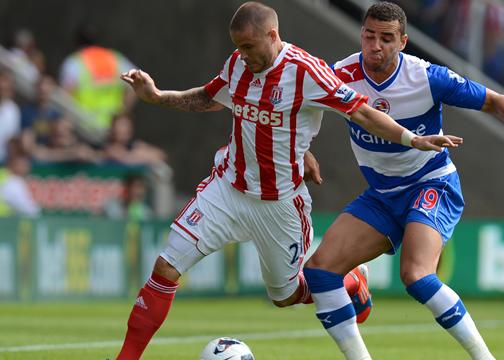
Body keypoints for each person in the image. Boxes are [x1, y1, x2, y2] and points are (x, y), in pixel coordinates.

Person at [114, 2, 462, 359]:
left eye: (249, 46)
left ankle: (350, 281)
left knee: (285, 296)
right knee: (166, 266)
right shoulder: (237, 65)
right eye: (238, 47)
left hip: (279, 205)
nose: (243, 54)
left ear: (272, 35)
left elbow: (362, 113)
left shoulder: (307, 72)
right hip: (227, 188)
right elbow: (207, 97)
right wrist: (157, 97)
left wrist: (412, 139)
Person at [302, 3, 504, 360]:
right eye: (369, 36)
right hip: (382, 195)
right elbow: (298, 106)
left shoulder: (425, 77)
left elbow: (494, 101)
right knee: (320, 272)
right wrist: (302, 148)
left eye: (386, 39)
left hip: (431, 184)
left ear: (403, 41)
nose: (375, 46)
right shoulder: (338, 74)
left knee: (416, 275)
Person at [59, 25, 136, 134]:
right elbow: (135, 84)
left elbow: (64, 97)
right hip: (113, 129)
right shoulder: (114, 58)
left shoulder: (74, 63)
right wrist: (123, 112)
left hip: (84, 127)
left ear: (76, 42)